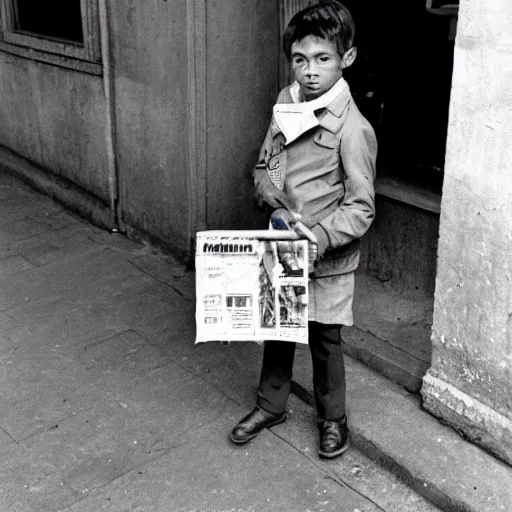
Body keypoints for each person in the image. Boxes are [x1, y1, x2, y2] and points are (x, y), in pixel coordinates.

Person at [229, 0, 377, 459]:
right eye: (300, 59)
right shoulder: (284, 104)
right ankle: (271, 405)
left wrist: (322, 237)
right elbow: (267, 166)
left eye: (323, 59)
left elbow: (361, 207)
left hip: (327, 257)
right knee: (278, 327)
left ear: (346, 59)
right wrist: (273, 201)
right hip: (282, 244)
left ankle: (334, 419)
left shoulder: (353, 128)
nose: (310, 71)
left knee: (324, 340)